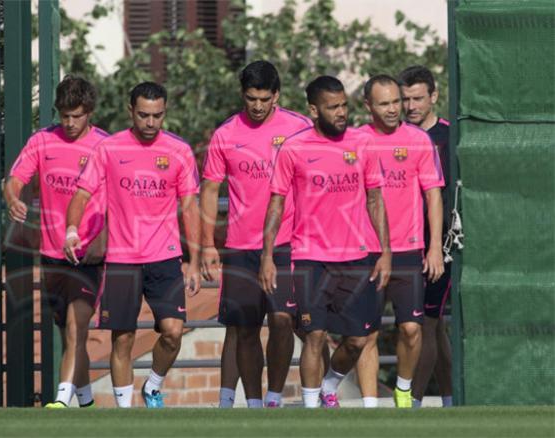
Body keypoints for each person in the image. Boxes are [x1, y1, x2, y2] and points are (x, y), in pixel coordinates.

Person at [65, 82, 201, 409]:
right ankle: (125, 414)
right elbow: (82, 194)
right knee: (122, 338)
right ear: (131, 111)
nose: (151, 122)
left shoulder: (179, 151)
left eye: (157, 115)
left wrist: (195, 260)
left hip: (165, 258)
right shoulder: (108, 149)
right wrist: (72, 230)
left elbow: (190, 208)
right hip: (123, 259)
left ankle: (153, 386)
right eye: (143, 115)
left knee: (173, 332)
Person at [259, 75, 392, 408]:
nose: (341, 113)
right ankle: (310, 409)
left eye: (344, 105)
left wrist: (385, 251)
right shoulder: (293, 148)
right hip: (310, 257)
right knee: (314, 336)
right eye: (333, 107)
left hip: (357, 257)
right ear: (314, 110)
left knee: (358, 339)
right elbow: (276, 203)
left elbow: (375, 199)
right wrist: (266, 256)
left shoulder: (362, 144)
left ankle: (330, 383)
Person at [200, 60, 312, 408]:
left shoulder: (299, 127)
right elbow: (208, 190)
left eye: (265, 98)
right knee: (245, 329)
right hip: (239, 246)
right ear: (242, 95)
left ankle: (275, 397)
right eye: (251, 98)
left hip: (287, 243)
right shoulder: (225, 134)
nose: (259, 106)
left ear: (276, 95)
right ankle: (253, 405)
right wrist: (206, 244)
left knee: (282, 320)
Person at [4, 75, 108, 408]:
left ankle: (61, 402)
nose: (70, 122)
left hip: (88, 255)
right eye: (65, 116)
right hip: (51, 254)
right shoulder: (42, 142)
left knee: (77, 327)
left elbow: (118, 202)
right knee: (68, 333)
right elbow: (15, 180)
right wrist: (13, 199)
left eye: (77, 116)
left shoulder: (105, 145)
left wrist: (103, 239)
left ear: (89, 111)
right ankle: (88, 403)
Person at [355, 74, 445, 408]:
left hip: (409, 249)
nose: (394, 109)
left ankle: (403, 391)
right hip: (366, 252)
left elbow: (433, 195)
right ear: (368, 106)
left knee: (411, 330)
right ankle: (369, 407)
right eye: (385, 103)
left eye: (397, 102)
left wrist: (434, 246)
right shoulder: (356, 141)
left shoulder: (419, 140)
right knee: (367, 333)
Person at [399, 65, 452, 408]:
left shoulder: (451, 135)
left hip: (440, 246)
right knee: (433, 328)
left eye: (418, 98)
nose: (411, 106)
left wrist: (438, 245)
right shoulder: (395, 137)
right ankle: (450, 400)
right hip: (403, 245)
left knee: (427, 324)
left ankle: (412, 405)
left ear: (434, 97)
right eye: (406, 99)